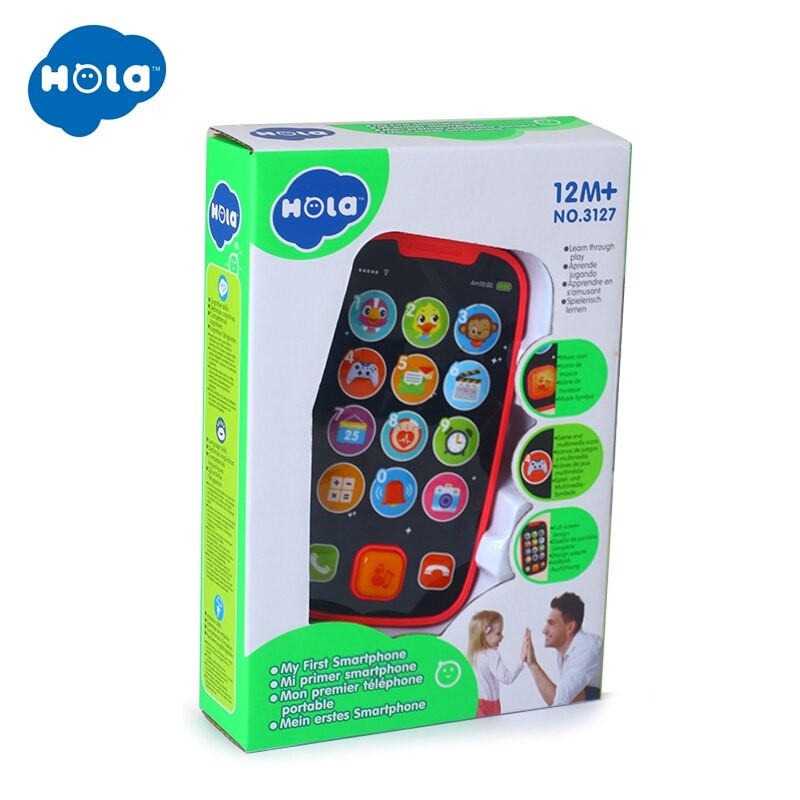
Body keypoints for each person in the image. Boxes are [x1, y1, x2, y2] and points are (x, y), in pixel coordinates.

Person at [521, 592, 602, 706]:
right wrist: (532, 664)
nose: (544, 630)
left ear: (570, 627)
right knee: (578, 695)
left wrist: (533, 665)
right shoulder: (565, 651)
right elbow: (563, 699)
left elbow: (559, 703)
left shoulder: (585, 650)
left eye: (551, 623)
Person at [467, 610, 524, 717]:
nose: (502, 637)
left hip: (475, 703)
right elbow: (507, 678)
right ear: (485, 634)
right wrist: (521, 659)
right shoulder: (491, 655)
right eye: (498, 633)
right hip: (489, 704)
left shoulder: (472, 655)